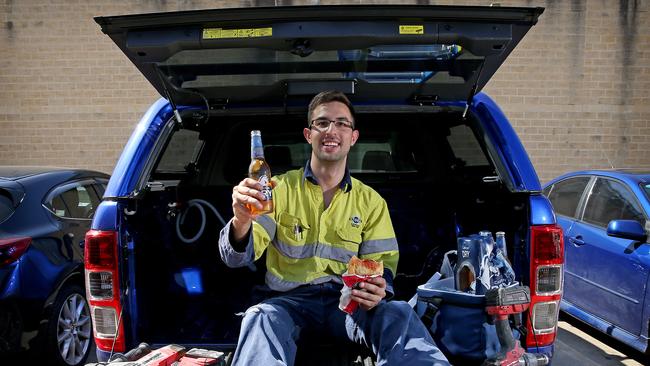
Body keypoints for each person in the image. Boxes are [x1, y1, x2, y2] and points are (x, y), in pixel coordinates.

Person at [218, 91, 450, 366]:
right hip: (288, 304)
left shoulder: (371, 201)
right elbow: (236, 257)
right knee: (259, 317)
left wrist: (379, 288)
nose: (332, 130)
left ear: (353, 137)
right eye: (322, 123)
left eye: (342, 123)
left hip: (349, 305)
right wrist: (242, 220)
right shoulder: (277, 190)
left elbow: (383, 264)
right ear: (308, 134)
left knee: (398, 312)